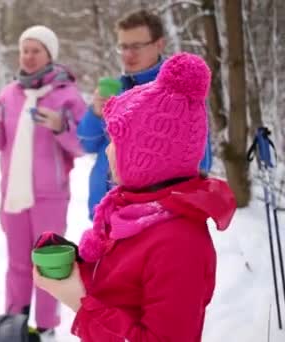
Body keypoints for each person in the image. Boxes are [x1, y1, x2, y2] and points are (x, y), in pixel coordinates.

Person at [33, 53, 237, 342]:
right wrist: (76, 265)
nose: (107, 151)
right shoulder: (134, 212)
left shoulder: (178, 244)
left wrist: (78, 301)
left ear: (150, 154)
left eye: (117, 141)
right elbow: (119, 285)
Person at [0, 25, 86, 336]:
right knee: (17, 264)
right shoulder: (9, 94)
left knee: (49, 264)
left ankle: (46, 326)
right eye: (24, 50)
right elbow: (3, 141)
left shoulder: (66, 96)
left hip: (50, 195)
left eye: (35, 50)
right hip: (13, 193)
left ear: (49, 54)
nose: (27, 56)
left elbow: (82, 145)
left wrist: (60, 126)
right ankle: (14, 323)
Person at [77, 9, 213, 220]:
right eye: (123, 46)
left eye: (136, 46)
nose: (128, 54)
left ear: (159, 44)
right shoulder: (117, 89)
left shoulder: (178, 96)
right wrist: (96, 113)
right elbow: (86, 144)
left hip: (147, 221)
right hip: (104, 216)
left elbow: (196, 166)